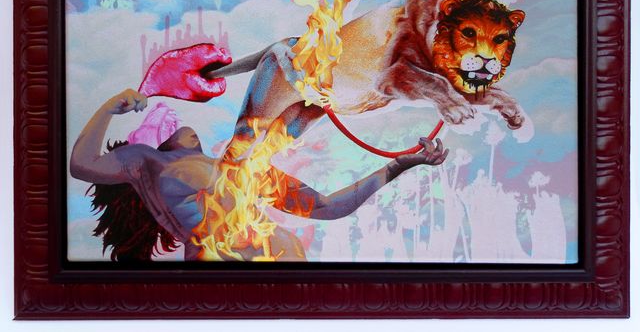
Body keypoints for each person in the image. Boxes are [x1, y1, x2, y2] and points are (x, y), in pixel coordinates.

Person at [70, 89, 448, 261]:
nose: (182, 124)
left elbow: (331, 207)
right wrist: (109, 107)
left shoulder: (244, 169)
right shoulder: (150, 164)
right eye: (168, 126)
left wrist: (400, 165)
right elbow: (82, 164)